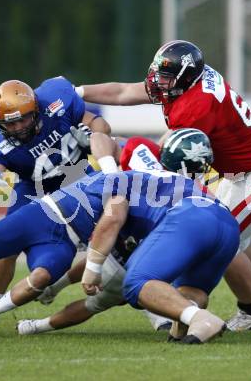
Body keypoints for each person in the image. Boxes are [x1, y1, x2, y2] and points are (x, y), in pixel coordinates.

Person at [74, 40, 251, 330]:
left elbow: (167, 154)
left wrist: (114, 148)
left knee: (222, 238)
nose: (157, 82)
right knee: (233, 237)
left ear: (184, 76)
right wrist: (76, 92)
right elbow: (124, 91)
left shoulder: (194, 106)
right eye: (158, 73)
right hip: (242, 171)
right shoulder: (190, 80)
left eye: (165, 77)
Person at [17, 129, 233, 344]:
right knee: (192, 291)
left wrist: (93, 268)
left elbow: (111, 218)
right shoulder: (192, 183)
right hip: (227, 224)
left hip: (189, 217)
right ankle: (184, 330)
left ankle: (201, 320)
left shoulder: (130, 174)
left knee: (137, 283)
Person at [0, 77, 113, 330]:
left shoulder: (57, 99)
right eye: (11, 123)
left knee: (117, 226)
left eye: (24, 119)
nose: (19, 127)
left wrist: (92, 134)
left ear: (36, 110)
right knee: (8, 239)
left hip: (79, 176)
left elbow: (97, 123)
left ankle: (151, 307)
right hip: (33, 186)